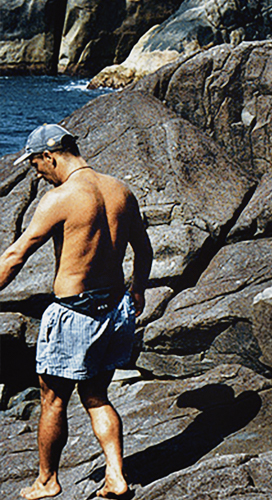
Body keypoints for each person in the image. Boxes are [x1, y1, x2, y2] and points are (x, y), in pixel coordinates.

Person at [0, 124, 152, 499]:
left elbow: (15, 256)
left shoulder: (60, 198)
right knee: (96, 395)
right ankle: (116, 477)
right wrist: (138, 291)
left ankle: (47, 481)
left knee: (53, 399)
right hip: (115, 309)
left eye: (36, 163)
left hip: (74, 313)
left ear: (49, 155)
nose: (36, 172)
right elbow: (144, 251)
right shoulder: (120, 190)